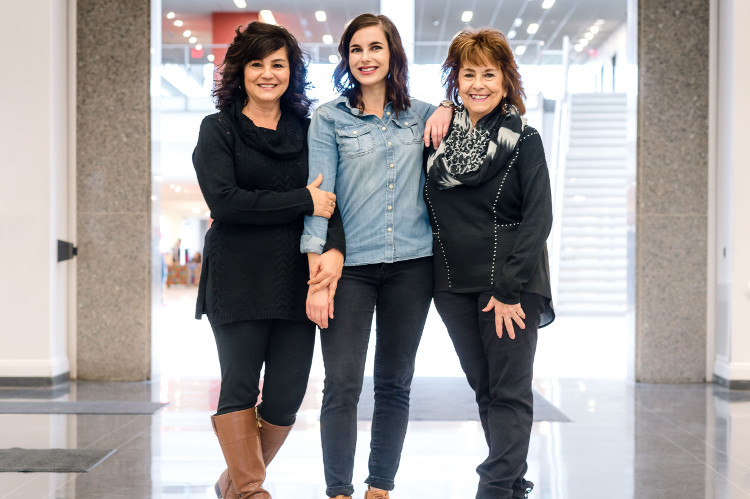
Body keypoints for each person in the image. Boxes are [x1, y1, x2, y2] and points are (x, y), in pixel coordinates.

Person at [300, 13, 452, 499]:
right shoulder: (329, 118)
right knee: (341, 384)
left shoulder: (423, 115)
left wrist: (449, 105)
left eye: (375, 48)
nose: (365, 58)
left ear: (393, 55)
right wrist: (317, 278)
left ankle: (379, 487)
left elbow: (478, 105)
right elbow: (319, 200)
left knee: (394, 383)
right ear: (346, 58)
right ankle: (339, 491)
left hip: (413, 265)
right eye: (356, 49)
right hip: (351, 270)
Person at [192, 21, 345, 499]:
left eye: (277, 64)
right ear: (240, 71)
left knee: (285, 395)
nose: (267, 74)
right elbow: (226, 203)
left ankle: (233, 481)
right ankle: (252, 490)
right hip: (236, 278)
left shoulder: (309, 129)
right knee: (239, 385)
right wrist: (301, 199)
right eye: (256, 64)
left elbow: (333, 197)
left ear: (291, 71)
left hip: (294, 280)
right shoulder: (218, 128)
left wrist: (333, 246)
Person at [423, 28, 555, 499]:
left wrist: (508, 289)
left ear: (505, 80)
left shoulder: (525, 139)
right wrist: (441, 108)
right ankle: (513, 488)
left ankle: (494, 490)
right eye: (468, 73)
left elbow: (540, 218)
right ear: (455, 80)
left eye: (489, 74)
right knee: (486, 392)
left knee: (510, 393)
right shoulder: (437, 137)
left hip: (509, 284)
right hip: (453, 284)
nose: (478, 84)